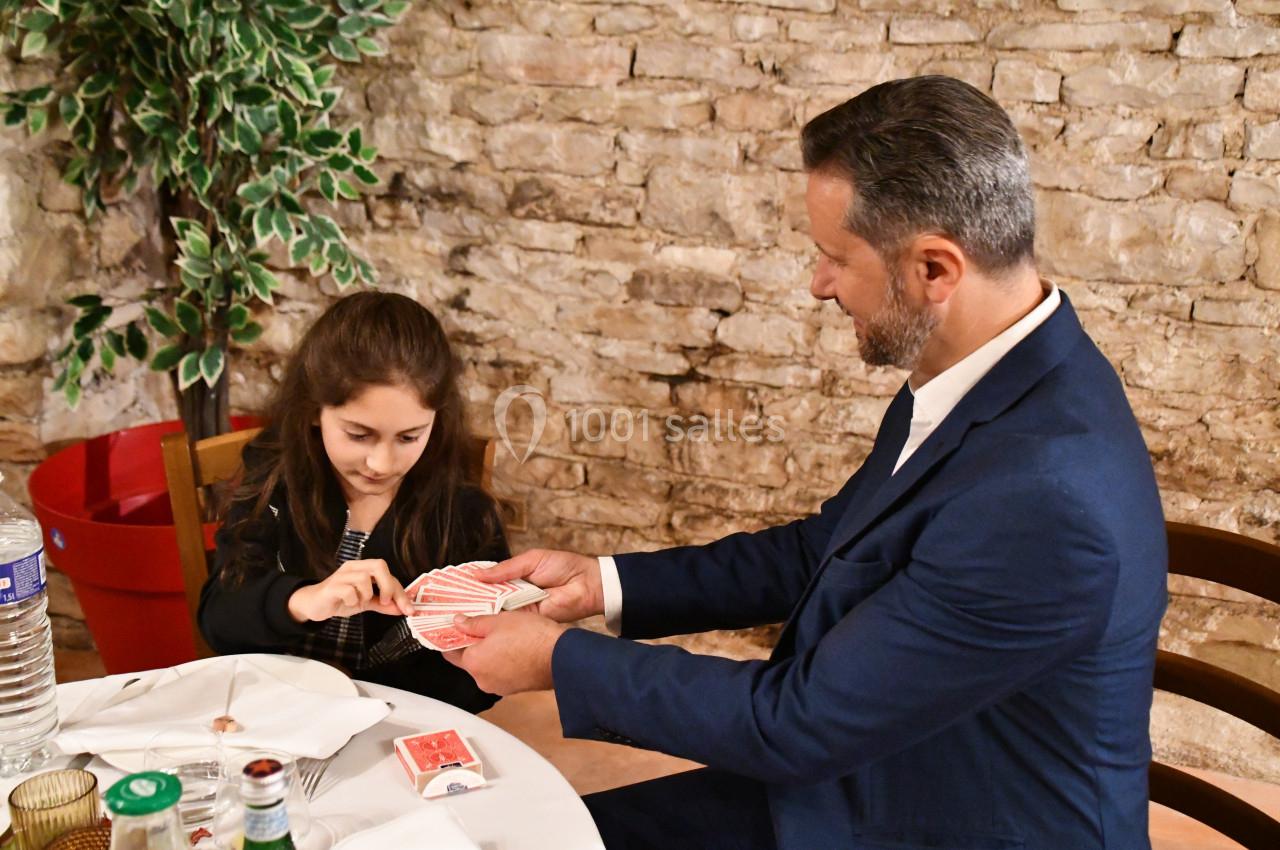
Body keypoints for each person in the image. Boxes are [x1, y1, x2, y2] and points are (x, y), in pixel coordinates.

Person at [443, 75, 1168, 849]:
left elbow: (798, 723)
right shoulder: (992, 373)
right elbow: (827, 551)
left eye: (835, 257)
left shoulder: (1046, 499)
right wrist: (604, 584)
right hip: (874, 770)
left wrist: (560, 662)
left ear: (935, 270)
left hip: (944, 821)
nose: (819, 285)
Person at [200, 291, 506, 713]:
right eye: (359, 435)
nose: (381, 464)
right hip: (278, 712)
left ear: (437, 421)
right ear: (313, 410)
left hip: (401, 722)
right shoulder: (275, 483)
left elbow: (483, 683)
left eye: (409, 437)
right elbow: (219, 620)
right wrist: (303, 601)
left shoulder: (463, 512)